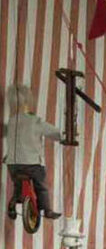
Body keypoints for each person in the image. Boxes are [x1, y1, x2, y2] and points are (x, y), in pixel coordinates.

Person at [4, 85, 62, 219]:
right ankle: (47, 210)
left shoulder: (12, 122)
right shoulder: (35, 121)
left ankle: (13, 204)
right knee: (41, 186)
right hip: (32, 164)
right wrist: (64, 136)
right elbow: (56, 134)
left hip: (13, 164)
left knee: (17, 185)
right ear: (28, 103)